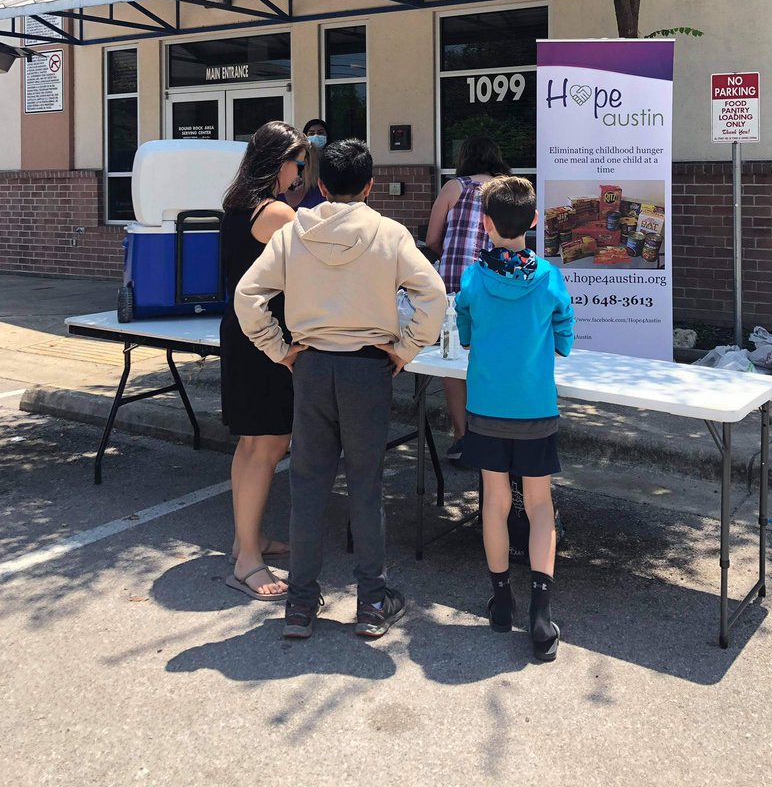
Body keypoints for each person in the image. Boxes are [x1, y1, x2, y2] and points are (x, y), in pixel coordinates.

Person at [235, 138, 447, 640]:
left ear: (322, 186)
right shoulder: (389, 233)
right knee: (366, 484)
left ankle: (300, 603)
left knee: (307, 484)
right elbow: (433, 294)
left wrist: (278, 348)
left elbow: (248, 295)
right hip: (368, 368)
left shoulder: (293, 232)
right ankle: (371, 601)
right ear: (370, 185)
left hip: (310, 367)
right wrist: (406, 348)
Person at [455, 176, 574, 662]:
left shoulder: (472, 277)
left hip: (486, 407)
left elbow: (465, 330)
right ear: (534, 221)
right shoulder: (549, 276)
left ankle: (501, 600)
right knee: (540, 504)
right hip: (535, 407)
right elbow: (564, 330)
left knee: (495, 501)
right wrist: (558, 342)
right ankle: (541, 615)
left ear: (485, 223)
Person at [220, 121, 310, 602]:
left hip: (242, 332)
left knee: (251, 445)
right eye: (298, 164)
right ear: (279, 162)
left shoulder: (238, 204)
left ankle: (246, 541)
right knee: (268, 445)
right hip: (267, 338)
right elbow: (314, 265)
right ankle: (247, 563)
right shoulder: (276, 213)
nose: (300, 175)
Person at [425, 136, 511, 462]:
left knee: (453, 360)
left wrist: (449, 253)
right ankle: (492, 432)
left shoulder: (453, 187)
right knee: (489, 358)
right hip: (495, 285)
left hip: (454, 285)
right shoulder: (507, 190)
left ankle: (463, 437)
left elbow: (432, 238)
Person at [281, 120, 328, 210]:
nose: (316, 136)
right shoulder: (277, 189)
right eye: (311, 133)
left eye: (320, 133)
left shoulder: (322, 192)